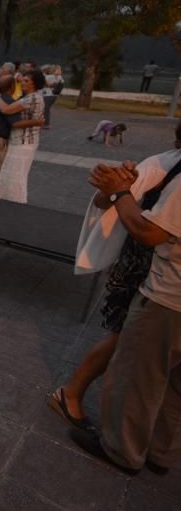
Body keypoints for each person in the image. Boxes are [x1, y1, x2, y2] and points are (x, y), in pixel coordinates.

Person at [52, 122, 181, 433]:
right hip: (146, 272)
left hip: (158, 275)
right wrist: (118, 186)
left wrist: (120, 190)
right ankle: (70, 393)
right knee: (123, 340)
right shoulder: (164, 163)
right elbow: (107, 204)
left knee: (130, 342)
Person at [0, 69, 47, 204]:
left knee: (15, 175)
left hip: (24, 142)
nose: (22, 83)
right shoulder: (29, 96)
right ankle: (8, 200)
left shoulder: (32, 98)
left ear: (34, 84)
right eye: (23, 80)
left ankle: (16, 202)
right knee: (11, 173)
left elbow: (6, 109)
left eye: (26, 81)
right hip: (20, 140)